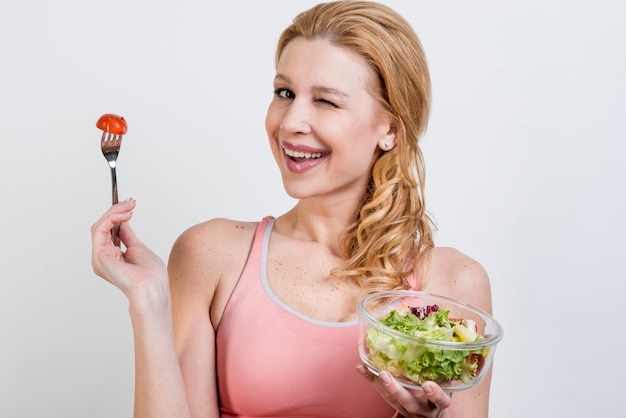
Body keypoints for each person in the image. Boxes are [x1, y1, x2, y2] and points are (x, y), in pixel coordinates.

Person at [91, 1, 494, 417]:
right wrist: (149, 302)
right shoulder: (211, 255)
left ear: (389, 129)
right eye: (285, 93)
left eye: (326, 101)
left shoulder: (454, 287)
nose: (290, 122)